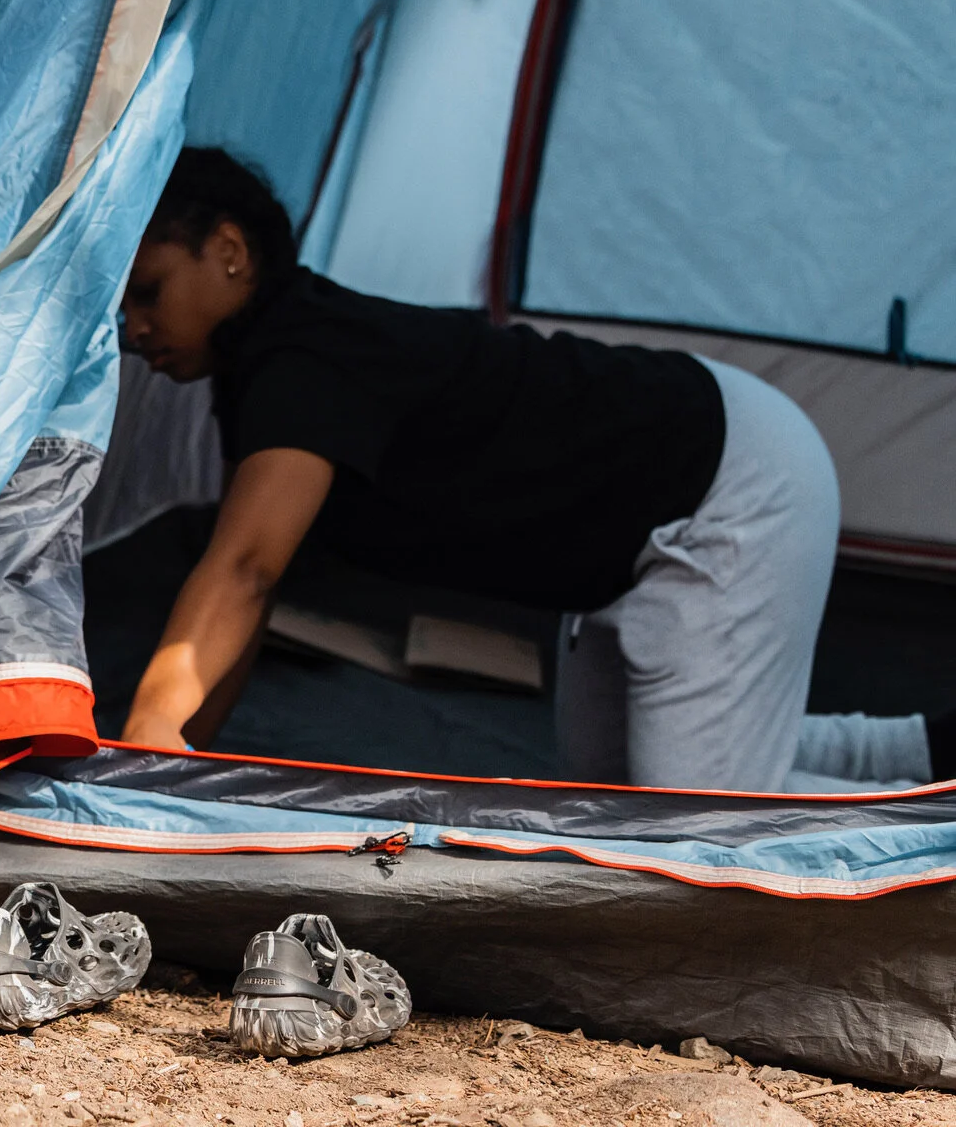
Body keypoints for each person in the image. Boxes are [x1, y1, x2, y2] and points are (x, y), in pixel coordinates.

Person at [114, 145, 944, 793]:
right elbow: (246, 597)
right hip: (623, 544)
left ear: (228, 250)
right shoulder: (260, 371)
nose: (130, 326)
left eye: (146, 290)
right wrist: (173, 760)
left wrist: (130, 764)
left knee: (695, 817)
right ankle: (924, 749)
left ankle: (930, 811)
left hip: (723, 484)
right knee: (610, 792)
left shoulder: (304, 360)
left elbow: (244, 572)